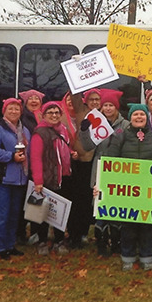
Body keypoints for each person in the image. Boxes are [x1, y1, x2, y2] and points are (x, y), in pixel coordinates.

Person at [102, 104, 152, 270]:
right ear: (130, 118)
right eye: (136, 115)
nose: (139, 117)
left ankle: (147, 257)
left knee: (148, 226)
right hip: (127, 191)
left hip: (149, 190)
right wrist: (102, 184)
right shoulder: (121, 136)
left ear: (146, 117)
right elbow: (110, 161)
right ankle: (128, 257)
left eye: (142, 114)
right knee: (128, 226)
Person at [80, 89, 128, 257]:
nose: (108, 108)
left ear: (116, 108)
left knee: (116, 205)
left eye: (111, 105)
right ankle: (101, 242)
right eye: (105, 105)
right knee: (100, 205)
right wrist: (84, 131)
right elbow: (87, 146)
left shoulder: (125, 125)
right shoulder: (96, 122)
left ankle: (116, 241)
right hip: (100, 169)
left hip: (119, 171)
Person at [0, 98, 31, 260]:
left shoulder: (25, 131)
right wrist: (11, 156)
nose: (13, 111)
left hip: (19, 179)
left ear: (21, 112)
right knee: (2, 214)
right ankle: (1, 247)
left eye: (16, 109)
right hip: (2, 178)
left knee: (14, 214)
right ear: (4, 111)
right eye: (10, 109)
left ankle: (11, 245)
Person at [30, 102, 77, 255]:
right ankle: (43, 241)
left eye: (57, 112)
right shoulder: (40, 134)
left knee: (61, 212)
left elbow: (63, 148)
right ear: (43, 116)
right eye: (50, 113)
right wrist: (38, 181)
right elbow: (35, 159)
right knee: (43, 212)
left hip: (64, 177)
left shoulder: (63, 130)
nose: (54, 115)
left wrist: (71, 153)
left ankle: (59, 240)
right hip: (47, 178)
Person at [61, 89, 97, 248]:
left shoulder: (102, 116)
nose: (95, 102)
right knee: (74, 200)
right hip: (75, 163)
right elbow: (74, 96)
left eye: (97, 99)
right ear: (85, 100)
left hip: (92, 164)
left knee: (85, 201)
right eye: (92, 99)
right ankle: (72, 233)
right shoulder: (81, 111)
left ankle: (82, 232)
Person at [18, 88, 45, 243]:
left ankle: (35, 232)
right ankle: (20, 233)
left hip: (40, 165)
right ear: (25, 102)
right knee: (24, 201)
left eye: (37, 99)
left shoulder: (45, 117)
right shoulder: (21, 118)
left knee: (36, 200)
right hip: (25, 165)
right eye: (31, 99)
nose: (34, 101)